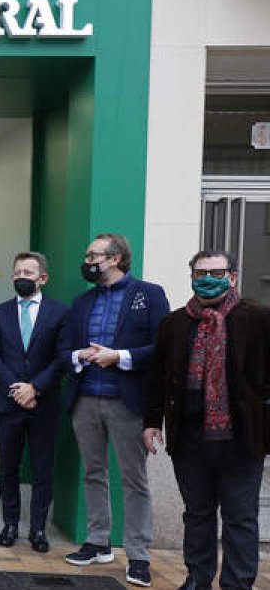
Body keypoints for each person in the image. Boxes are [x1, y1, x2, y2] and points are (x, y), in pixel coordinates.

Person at [144, 250, 270, 590]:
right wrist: (152, 421)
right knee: (197, 514)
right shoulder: (173, 323)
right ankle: (197, 578)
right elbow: (158, 376)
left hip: (241, 438)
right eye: (200, 273)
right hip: (189, 436)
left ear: (232, 277)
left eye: (216, 271)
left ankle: (237, 583)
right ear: (191, 277)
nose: (207, 278)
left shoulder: (258, 318)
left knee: (240, 517)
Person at [63, 233, 168, 588]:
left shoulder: (149, 295)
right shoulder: (81, 302)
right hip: (86, 399)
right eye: (88, 254)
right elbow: (66, 348)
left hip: (128, 401)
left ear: (116, 258)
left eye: (94, 255)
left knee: (134, 480)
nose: (88, 261)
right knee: (93, 473)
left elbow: (162, 347)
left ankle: (138, 555)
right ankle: (98, 541)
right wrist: (79, 356)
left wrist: (119, 357)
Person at [0, 251, 68, 554]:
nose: (21, 277)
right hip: (8, 403)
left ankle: (38, 529)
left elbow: (62, 358)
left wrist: (35, 389)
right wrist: (16, 389)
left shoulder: (60, 313)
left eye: (28, 273)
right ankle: (10, 525)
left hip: (44, 404)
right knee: (8, 468)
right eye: (17, 272)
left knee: (43, 469)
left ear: (43, 278)